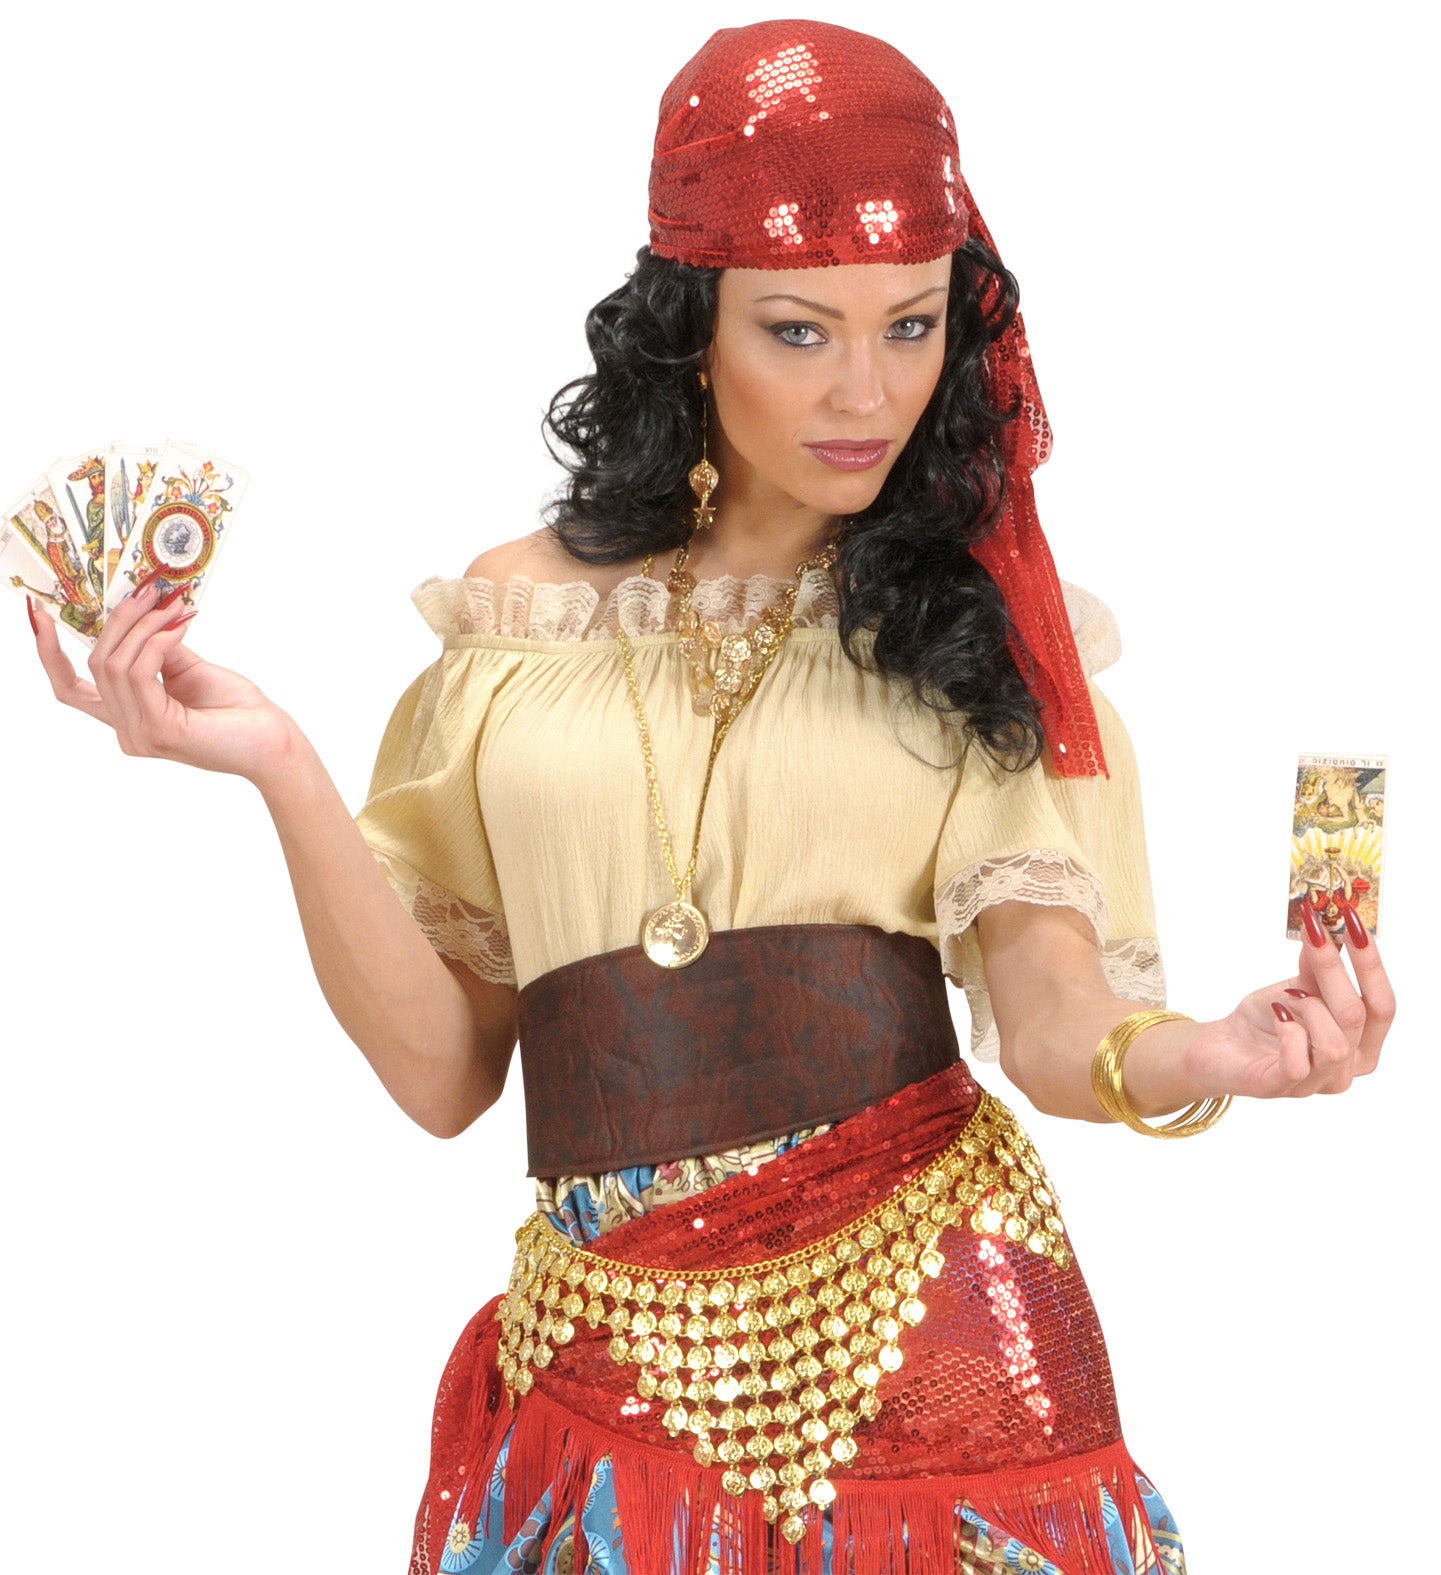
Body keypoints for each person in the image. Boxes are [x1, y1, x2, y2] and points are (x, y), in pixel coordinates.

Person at [25, 19, 1393, 1575]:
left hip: (925, 1330)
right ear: (690, 325)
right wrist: (277, 762)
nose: (865, 390)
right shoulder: (520, 624)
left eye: (911, 326)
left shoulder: (982, 633)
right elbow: (442, 1072)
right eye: (798, 331)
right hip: (605, 1339)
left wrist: (1209, 1055)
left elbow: (1050, 1019)